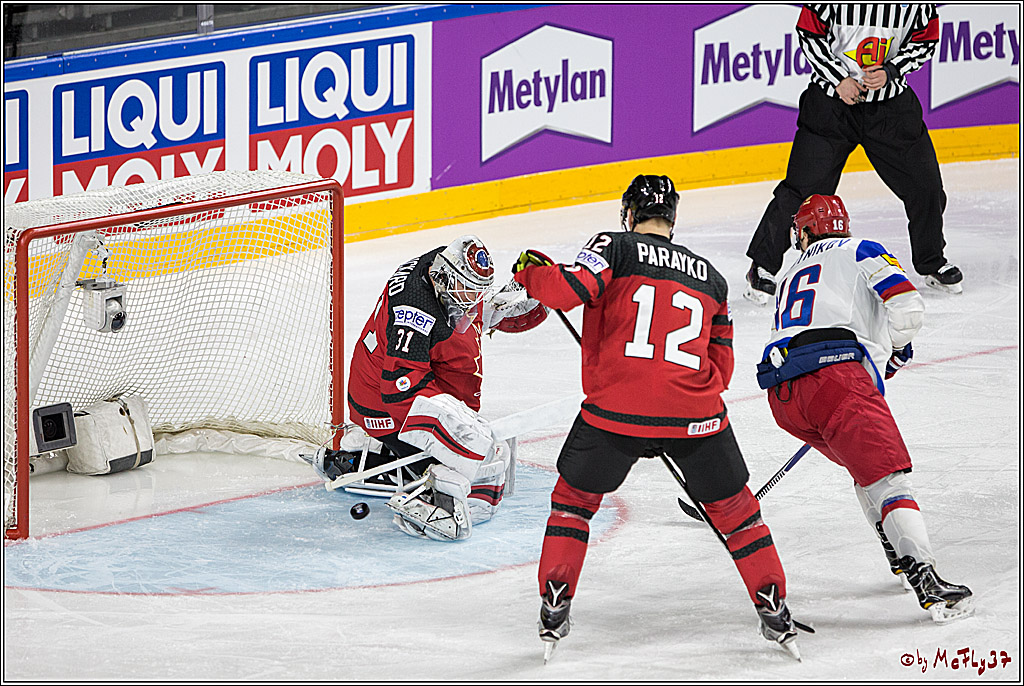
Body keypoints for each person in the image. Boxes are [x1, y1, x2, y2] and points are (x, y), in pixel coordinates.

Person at [512, 175, 807, 661]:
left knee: (574, 502)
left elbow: (570, 289)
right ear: (672, 216)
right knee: (737, 512)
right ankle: (773, 603)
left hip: (616, 411)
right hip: (696, 414)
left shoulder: (615, 246)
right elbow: (724, 366)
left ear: (629, 213)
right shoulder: (710, 275)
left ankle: (556, 598)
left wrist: (530, 275)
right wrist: (684, 403)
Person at [757, 193, 974, 623]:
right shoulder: (861, 249)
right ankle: (926, 578)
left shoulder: (789, 275)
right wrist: (893, 351)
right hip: (837, 380)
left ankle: (897, 554)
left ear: (803, 231)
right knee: (887, 478)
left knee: (865, 471)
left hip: (784, 395)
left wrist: (879, 357)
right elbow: (908, 308)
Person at [310, 234, 547, 541]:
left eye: (478, 293)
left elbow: (461, 321)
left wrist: (522, 296)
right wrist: (455, 437)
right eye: (467, 291)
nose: (472, 301)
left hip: (398, 381)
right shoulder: (414, 314)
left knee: (482, 448)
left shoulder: (441, 269)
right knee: (476, 458)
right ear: (447, 278)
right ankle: (436, 499)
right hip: (381, 401)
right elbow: (399, 393)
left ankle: (384, 458)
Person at [744, 3, 963, 306]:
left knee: (925, 186)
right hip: (831, 107)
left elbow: (925, 40)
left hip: (891, 110)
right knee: (801, 190)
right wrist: (838, 79)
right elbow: (809, 34)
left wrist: (892, 70)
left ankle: (931, 260)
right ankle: (764, 265)